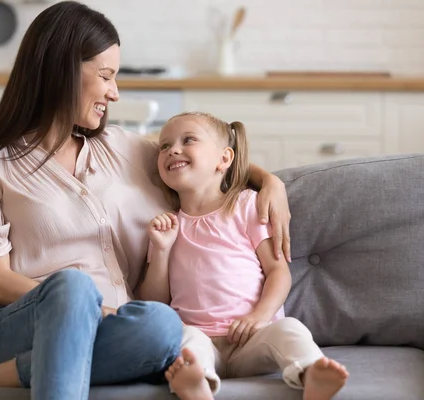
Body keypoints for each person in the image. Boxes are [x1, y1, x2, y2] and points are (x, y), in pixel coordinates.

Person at [0, 3, 292, 400]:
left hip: (119, 328)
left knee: (163, 325)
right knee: (73, 288)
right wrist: (94, 310)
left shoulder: (122, 148)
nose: (114, 93)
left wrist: (268, 180)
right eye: (107, 75)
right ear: (62, 71)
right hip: (25, 324)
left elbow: (199, 162)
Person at [138, 112, 349, 400]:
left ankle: (311, 373)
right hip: (202, 339)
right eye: (164, 146)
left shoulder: (247, 205)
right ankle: (197, 384)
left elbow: (278, 272)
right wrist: (161, 249)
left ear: (224, 159)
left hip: (252, 338)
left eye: (188, 140)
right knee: (187, 340)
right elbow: (153, 303)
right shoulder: (168, 225)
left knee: (289, 329)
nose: (172, 149)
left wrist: (259, 317)